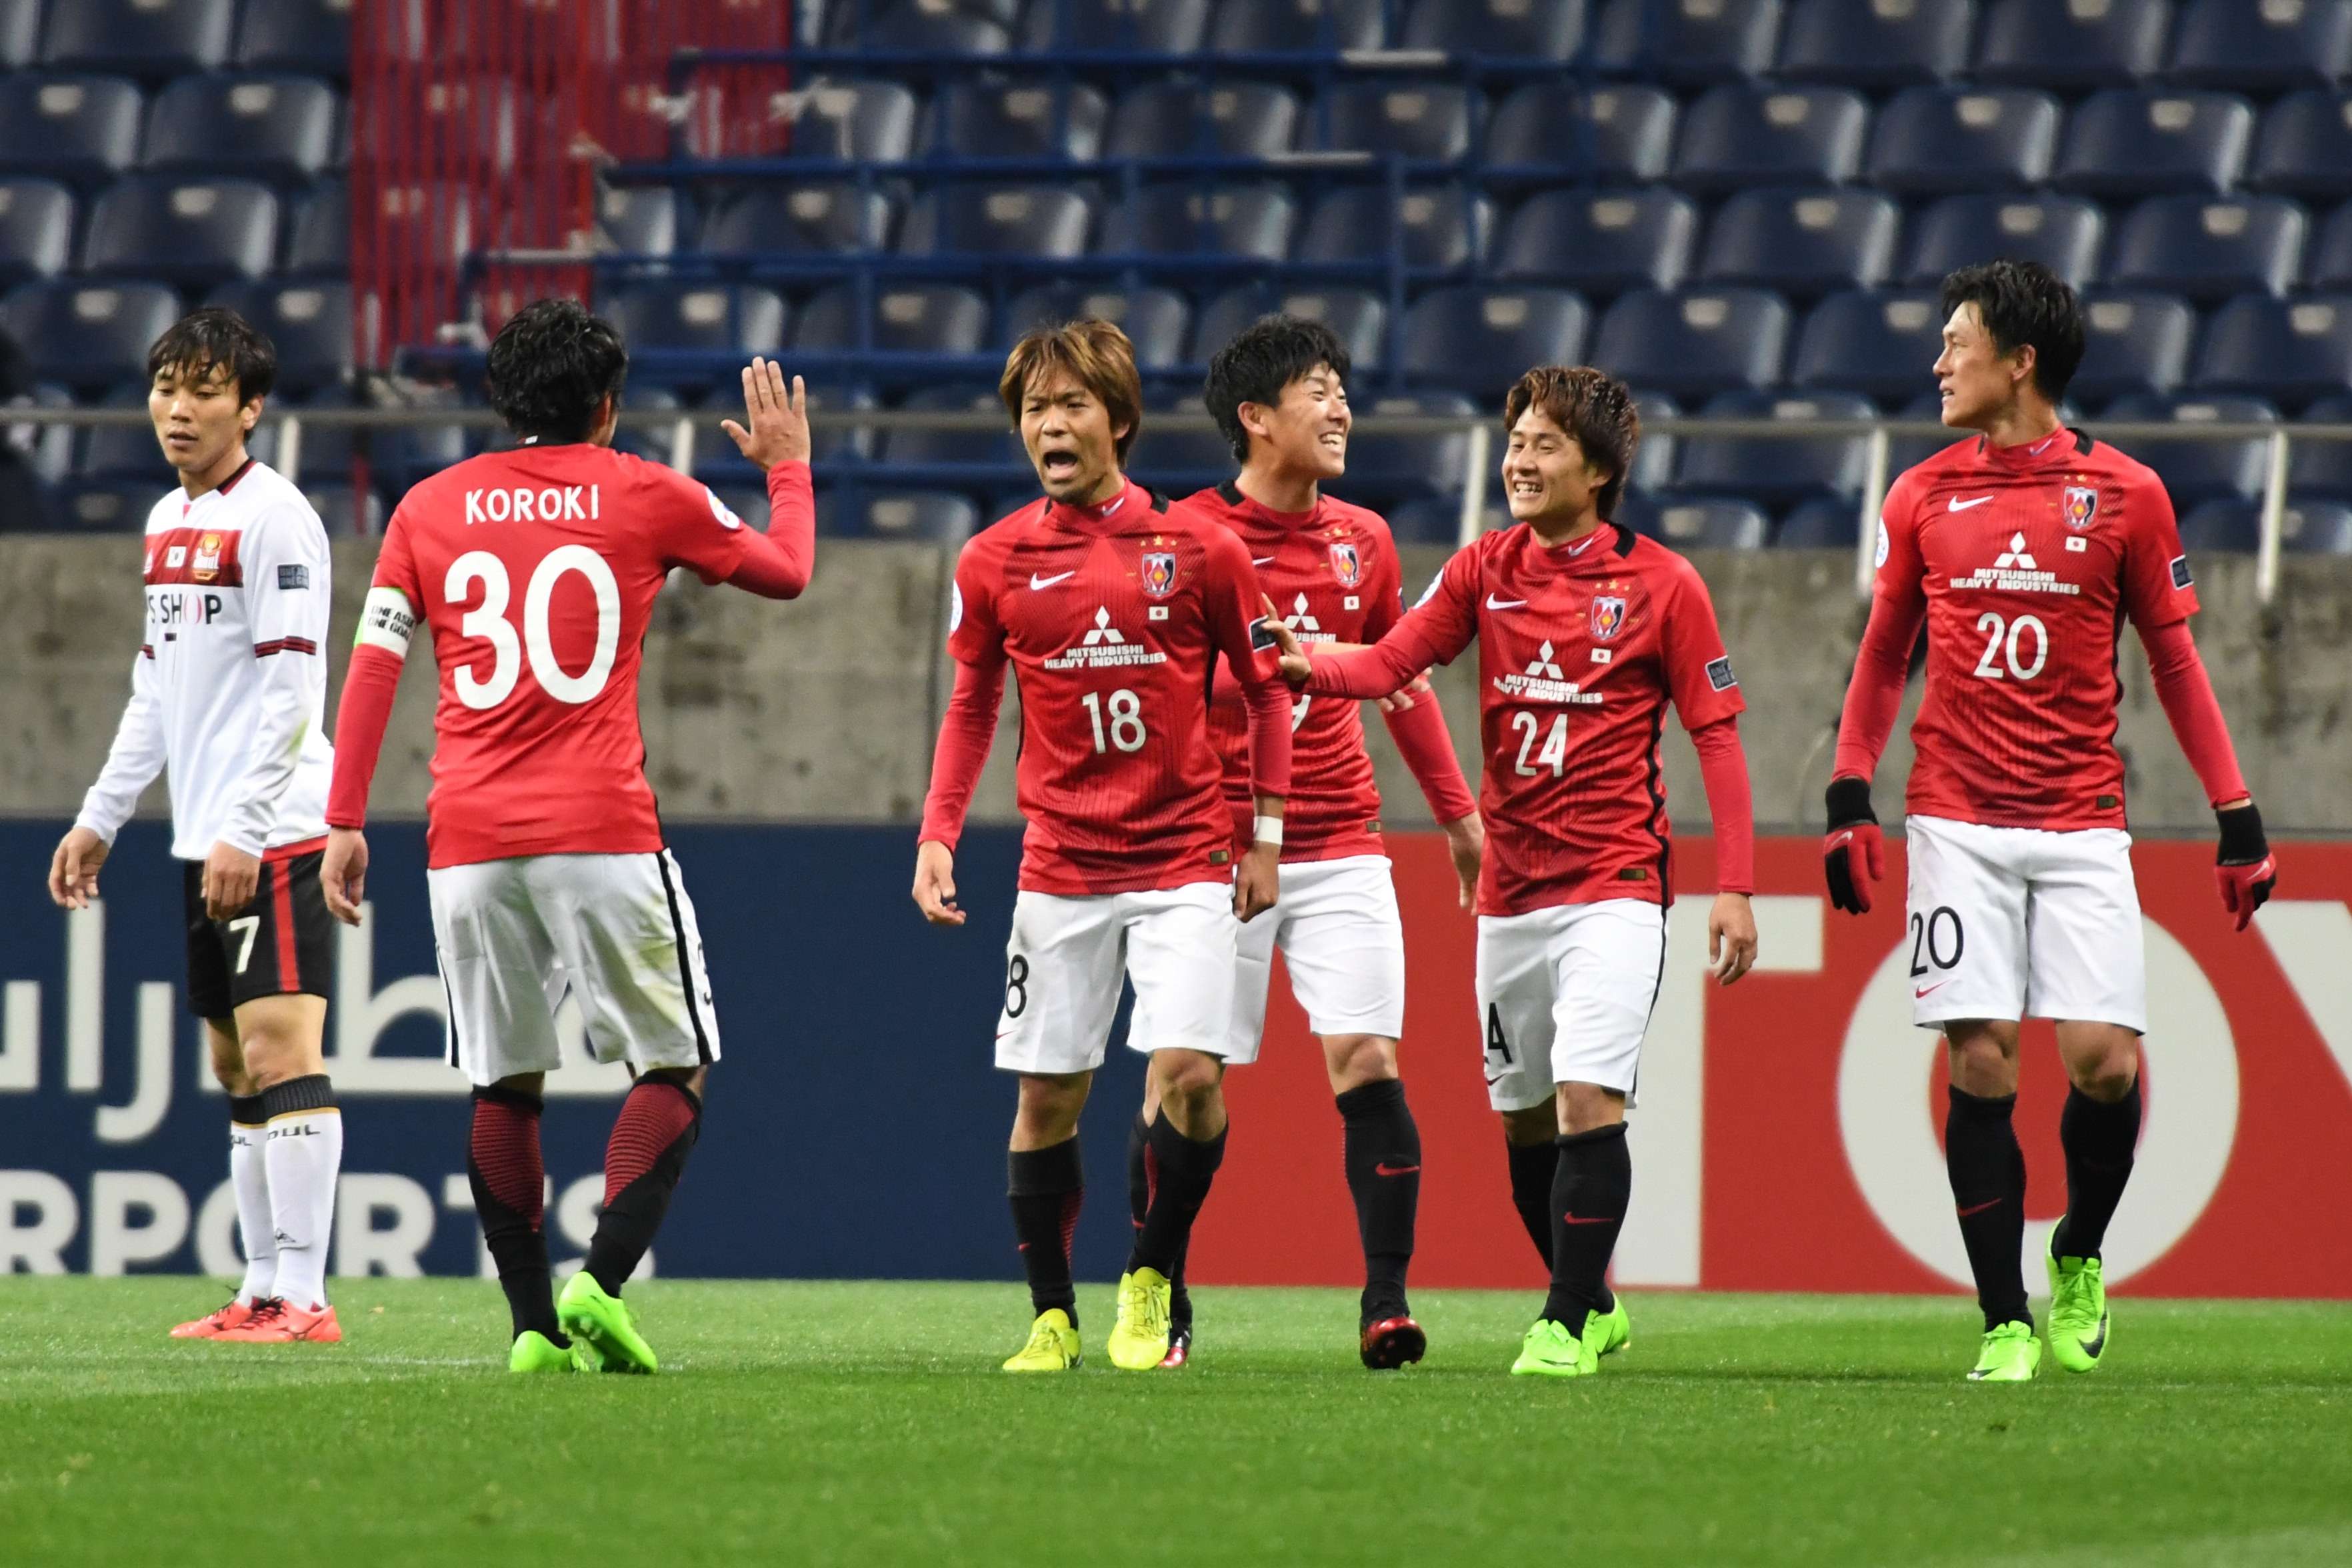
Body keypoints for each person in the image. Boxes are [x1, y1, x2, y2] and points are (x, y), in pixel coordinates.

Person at [319, 299, 816, 1374]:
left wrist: (346, 819)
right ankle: (601, 1285)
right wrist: (787, 465)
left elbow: (372, 668)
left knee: (503, 1085)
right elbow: (787, 570)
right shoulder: (646, 491)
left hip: (468, 840)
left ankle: (531, 1333)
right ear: (606, 405)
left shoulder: (426, 507)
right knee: (676, 1062)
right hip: (600, 828)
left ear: (504, 400)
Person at [1822, 259, 2277, 1383]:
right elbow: (1886, 653)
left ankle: (2078, 1252)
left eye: (1958, 342)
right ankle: (2004, 1321)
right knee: (1980, 1060)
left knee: (2104, 1063)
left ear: (2020, 362)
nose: (1938, 362)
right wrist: (1847, 790)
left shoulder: (2126, 493)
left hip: (2080, 820)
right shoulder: (1920, 495)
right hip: (1956, 819)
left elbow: (2172, 658)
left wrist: (2237, 813)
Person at [1265, 365, 1759, 1379]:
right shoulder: (1485, 568)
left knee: (1588, 1102)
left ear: (1602, 467)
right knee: (1525, 1118)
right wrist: (1308, 659)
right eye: (1517, 441)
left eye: (1544, 446)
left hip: (1615, 887)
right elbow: (1391, 661)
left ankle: (1567, 1320)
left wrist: (1738, 886)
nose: (1520, 462)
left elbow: (1717, 740)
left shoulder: (1666, 586)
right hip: (1511, 896)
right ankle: (1597, 1302)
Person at [912, 317, 1293, 1374]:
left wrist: (1264, 837)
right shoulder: (992, 560)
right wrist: (938, 831)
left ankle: (1152, 1276)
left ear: (1118, 418)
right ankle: (1050, 1317)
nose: (1051, 424)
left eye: (1072, 403)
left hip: (1183, 862)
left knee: (1190, 1078)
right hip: (1062, 870)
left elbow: (1267, 695)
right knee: (1047, 1096)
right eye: (1035, 409)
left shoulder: (1204, 550)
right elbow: (972, 705)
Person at [1141, 314, 1483, 1371]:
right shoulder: (1189, 536)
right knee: (1187, 1077)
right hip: (1211, 846)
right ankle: (1160, 1288)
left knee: (1369, 1057)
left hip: (1339, 839)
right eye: (1317, 389)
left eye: (1342, 387)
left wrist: (1461, 816)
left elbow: (1399, 680)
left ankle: (1385, 1304)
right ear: (1255, 418)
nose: (1341, 408)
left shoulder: (1365, 540)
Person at [49, 309, 345, 1343]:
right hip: (202, 834)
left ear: (250, 408)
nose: (179, 408)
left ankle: (306, 1298)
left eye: (205, 390)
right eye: (166, 387)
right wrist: (101, 816)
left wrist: (247, 826)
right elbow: (155, 689)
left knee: (278, 1048)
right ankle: (261, 1288)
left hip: (273, 830)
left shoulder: (277, 519)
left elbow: (292, 687)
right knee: (229, 1062)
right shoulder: (168, 523)